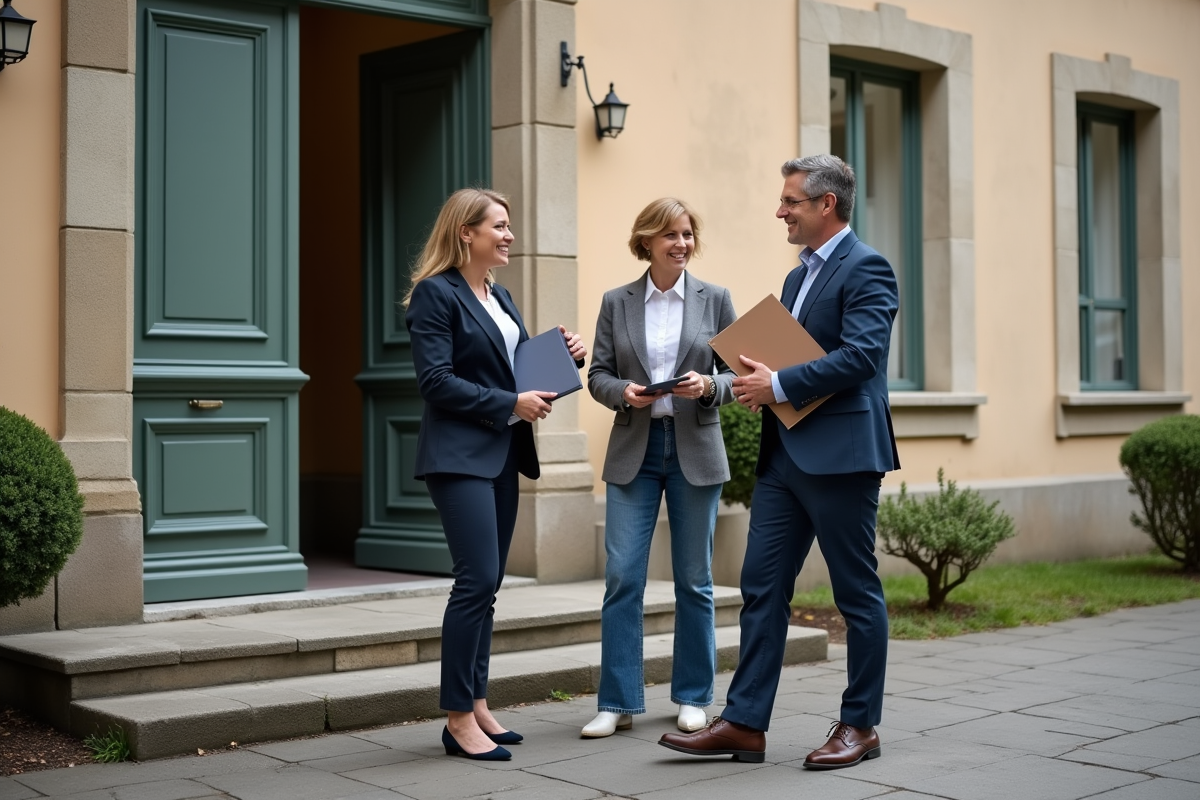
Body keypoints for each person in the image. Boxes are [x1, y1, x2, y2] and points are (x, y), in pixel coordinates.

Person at [659, 155, 900, 769]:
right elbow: (790, 362)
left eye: (791, 201)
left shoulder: (869, 267)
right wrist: (756, 386)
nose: (780, 210)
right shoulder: (797, 279)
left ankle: (860, 725)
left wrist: (781, 384)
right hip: (784, 458)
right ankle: (744, 723)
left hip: (843, 457)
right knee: (761, 589)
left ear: (826, 205)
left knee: (856, 593)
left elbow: (862, 357)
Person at [404, 187, 587, 761]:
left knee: (489, 586)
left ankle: (478, 703)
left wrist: (564, 356)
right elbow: (435, 381)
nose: (509, 235)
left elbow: (513, 369)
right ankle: (457, 718)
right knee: (476, 580)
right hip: (458, 456)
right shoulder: (436, 295)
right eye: (499, 226)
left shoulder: (499, 295)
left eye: (508, 227)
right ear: (467, 232)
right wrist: (510, 404)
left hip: (504, 453)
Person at [583, 198, 737, 739]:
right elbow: (597, 373)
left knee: (695, 580)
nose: (682, 243)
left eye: (688, 234)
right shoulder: (616, 301)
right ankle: (617, 701)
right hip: (635, 450)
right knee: (623, 576)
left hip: (695, 447)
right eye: (670, 234)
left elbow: (738, 376)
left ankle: (694, 696)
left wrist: (710, 386)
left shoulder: (715, 299)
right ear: (646, 240)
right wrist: (623, 392)